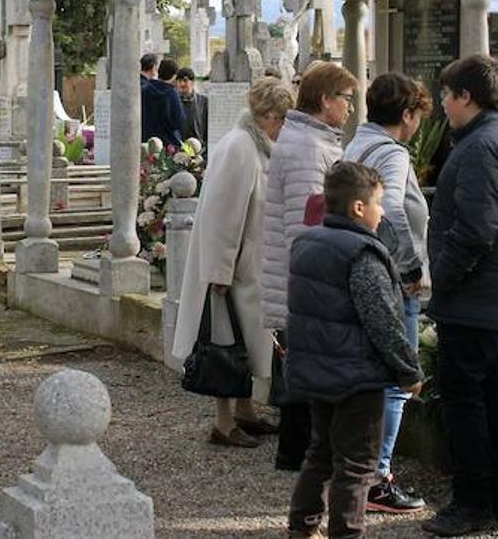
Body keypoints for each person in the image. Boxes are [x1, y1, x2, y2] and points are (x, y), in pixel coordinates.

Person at [285, 162, 424, 539]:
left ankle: (302, 526)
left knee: (320, 453)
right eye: (378, 204)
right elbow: (381, 319)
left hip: (317, 369)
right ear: (358, 208)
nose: (382, 212)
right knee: (357, 465)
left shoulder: (306, 242)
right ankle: (346, 533)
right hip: (356, 376)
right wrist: (408, 371)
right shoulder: (362, 252)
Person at [422, 55, 498, 536]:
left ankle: (473, 501)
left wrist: (440, 277)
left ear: (466, 96)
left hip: (474, 294)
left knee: (467, 399)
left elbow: (475, 229)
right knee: (492, 393)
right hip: (491, 293)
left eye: (447, 94)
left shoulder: (480, 147)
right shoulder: (496, 137)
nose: (442, 104)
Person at [172, 77, 292, 447]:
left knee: (247, 342)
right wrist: (220, 272)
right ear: (268, 116)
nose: (285, 127)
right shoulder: (240, 147)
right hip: (233, 267)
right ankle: (223, 423)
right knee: (226, 345)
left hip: (248, 263)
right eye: (283, 118)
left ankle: (245, 411)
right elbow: (225, 216)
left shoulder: (254, 144)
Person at [343, 73, 433, 514]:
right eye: (417, 115)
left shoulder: (356, 143)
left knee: (371, 380)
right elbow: (392, 207)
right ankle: (378, 478)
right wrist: (411, 264)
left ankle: (358, 472)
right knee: (398, 381)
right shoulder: (392, 153)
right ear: (406, 114)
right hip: (392, 277)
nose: (417, 124)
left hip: (359, 270)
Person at [261, 60, 358, 469]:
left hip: (299, 277)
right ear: (325, 100)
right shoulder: (306, 146)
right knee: (305, 369)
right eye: (346, 99)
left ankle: (298, 451)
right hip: (304, 279)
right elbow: (304, 224)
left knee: (303, 367)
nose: (350, 108)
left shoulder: (311, 139)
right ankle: (297, 453)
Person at [140, 53, 186, 147]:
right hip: (168, 144)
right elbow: (179, 121)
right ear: (174, 76)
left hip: (146, 141)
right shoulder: (171, 93)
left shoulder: (145, 89)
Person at [174, 66, 209, 150]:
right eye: (179, 81)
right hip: (178, 149)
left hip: (200, 150)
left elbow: (207, 127)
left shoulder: (204, 101)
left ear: (192, 82)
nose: (182, 84)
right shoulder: (173, 101)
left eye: (185, 80)